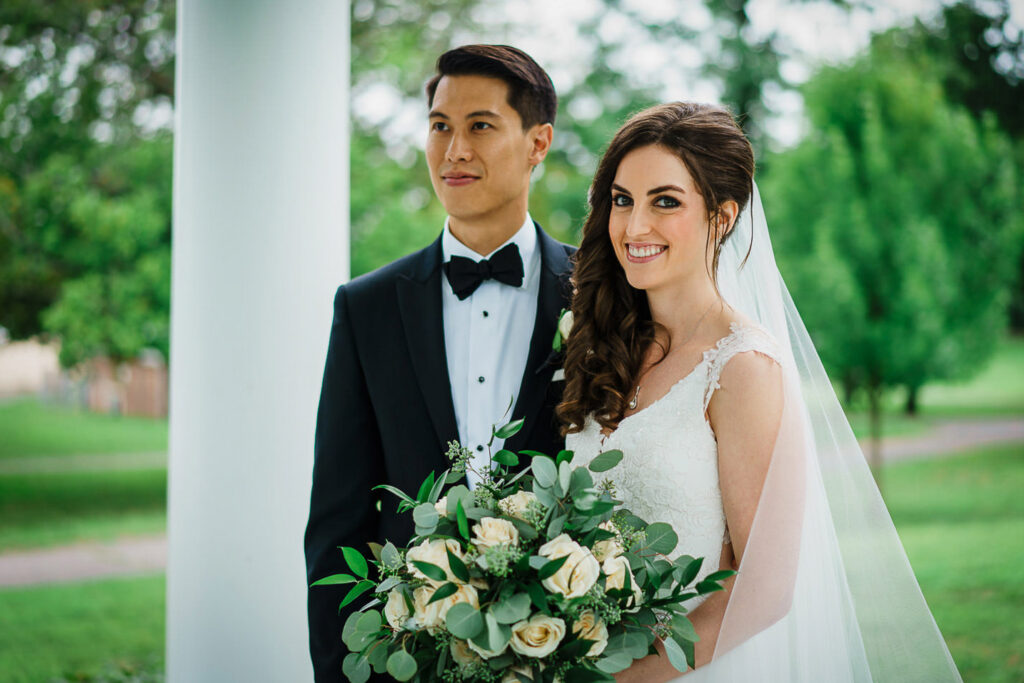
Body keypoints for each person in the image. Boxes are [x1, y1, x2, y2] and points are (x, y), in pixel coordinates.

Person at [558, 103, 962, 682]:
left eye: (665, 201)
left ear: (723, 216)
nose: (633, 226)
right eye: (622, 200)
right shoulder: (604, 350)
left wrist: (615, 679)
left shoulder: (743, 366)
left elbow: (764, 588)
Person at [304, 45, 575, 682]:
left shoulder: (602, 297)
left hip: (569, 659)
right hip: (409, 664)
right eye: (439, 125)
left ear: (538, 143)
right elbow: (338, 518)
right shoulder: (365, 307)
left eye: (480, 126)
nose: (453, 151)